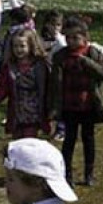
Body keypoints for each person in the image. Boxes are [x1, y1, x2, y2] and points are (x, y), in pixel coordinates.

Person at [50, 16, 103, 187]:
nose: (71, 41)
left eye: (75, 38)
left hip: (88, 104)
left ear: (85, 38)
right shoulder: (61, 56)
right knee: (69, 139)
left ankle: (88, 173)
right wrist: (54, 107)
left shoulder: (92, 53)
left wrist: (86, 62)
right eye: (68, 38)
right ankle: (66, 173)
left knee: (88, 138)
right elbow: (55, 83)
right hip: (69, 104)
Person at [0, 30, 52, 139]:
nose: (18, 50)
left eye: (22, 46)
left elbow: (49, 87)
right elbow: (3, 88)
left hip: (35, 113)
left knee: (29, 142)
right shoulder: (9, 67)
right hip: (17, 113)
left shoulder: (40, 66)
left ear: (30, 45)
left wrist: (51, 109)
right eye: (15, 46)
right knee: (17, 143)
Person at [39, 10, 66, 142]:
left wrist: (57, 36)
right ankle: (46, 124)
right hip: (44, 74)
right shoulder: (41, 38)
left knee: (59, 101)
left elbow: (63, 47)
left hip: (57, 76)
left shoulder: (61, 40)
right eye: (52, 24)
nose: (55, 28)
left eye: (58, 25)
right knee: (45, 100)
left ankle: (61, 128)